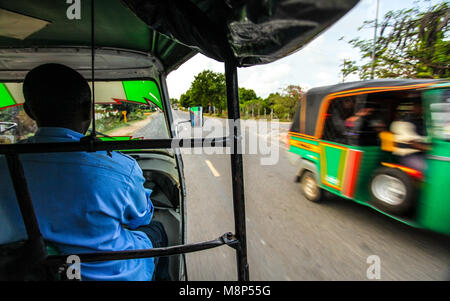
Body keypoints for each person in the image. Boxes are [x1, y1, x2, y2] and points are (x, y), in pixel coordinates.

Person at [0, 63, 169, 281]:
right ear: (87, 109)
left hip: (28, 271)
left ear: (30, 111)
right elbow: (141, 218)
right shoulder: (119, 167)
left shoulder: (4, 163)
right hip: (111, 274)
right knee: (157, 231)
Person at [389, 101, 430, 173]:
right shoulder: (403, 122)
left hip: (422, 154)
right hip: (407, 155)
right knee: (430, 169)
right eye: (422, 107)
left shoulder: (422, 121)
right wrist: (431, 149)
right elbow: (412, 143)